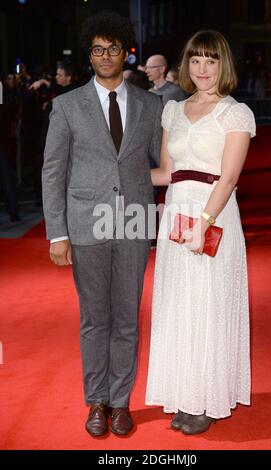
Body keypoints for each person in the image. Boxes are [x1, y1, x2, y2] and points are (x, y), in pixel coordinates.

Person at [42, 11, 162, 437]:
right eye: (97, 49)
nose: (105, 55)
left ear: (126, 51)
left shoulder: (151, 105)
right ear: (89, 56)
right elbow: (53, 171)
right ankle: (95, 401)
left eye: (113, 48)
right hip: (85, 223)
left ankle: (120, 400)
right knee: (94, 318)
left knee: (127, 316)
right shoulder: (67, 105)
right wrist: (57, 232)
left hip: (133, 221)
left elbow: (164, 164)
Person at [145, 30, 256, 435]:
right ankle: (186, 393)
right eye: (195, 60)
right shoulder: (172, 111)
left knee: (210, 304)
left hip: (215, 214)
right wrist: (120, 175)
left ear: (223, 65)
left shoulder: (236, 113)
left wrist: (203, 224)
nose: (203, 69)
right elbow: (166, 171)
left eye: (211, 60)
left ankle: (208, 399)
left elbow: (228, 178)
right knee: (179, 304)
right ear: (186, 65)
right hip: (177, 209)